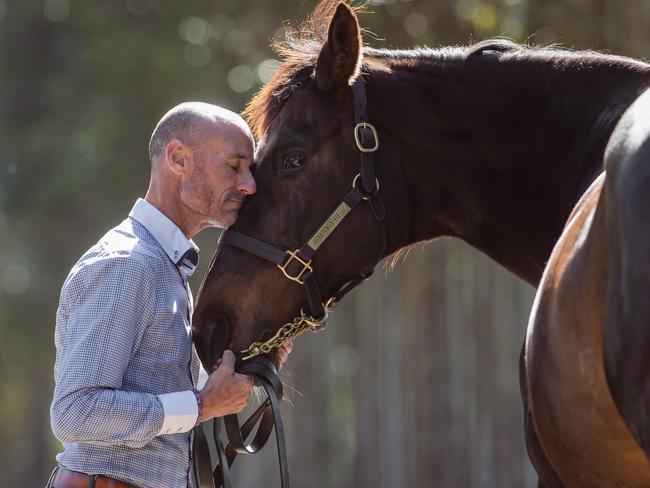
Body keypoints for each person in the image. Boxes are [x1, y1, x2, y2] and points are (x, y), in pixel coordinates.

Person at [49, 102, 292, 488]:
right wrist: (201, 405)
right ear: (178, 158)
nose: (250, 185)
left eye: (250, 170)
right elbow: (76, 412)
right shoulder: (127, 264)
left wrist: (237, 373)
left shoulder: (162, 266)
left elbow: (157, 404)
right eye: (235, 166)